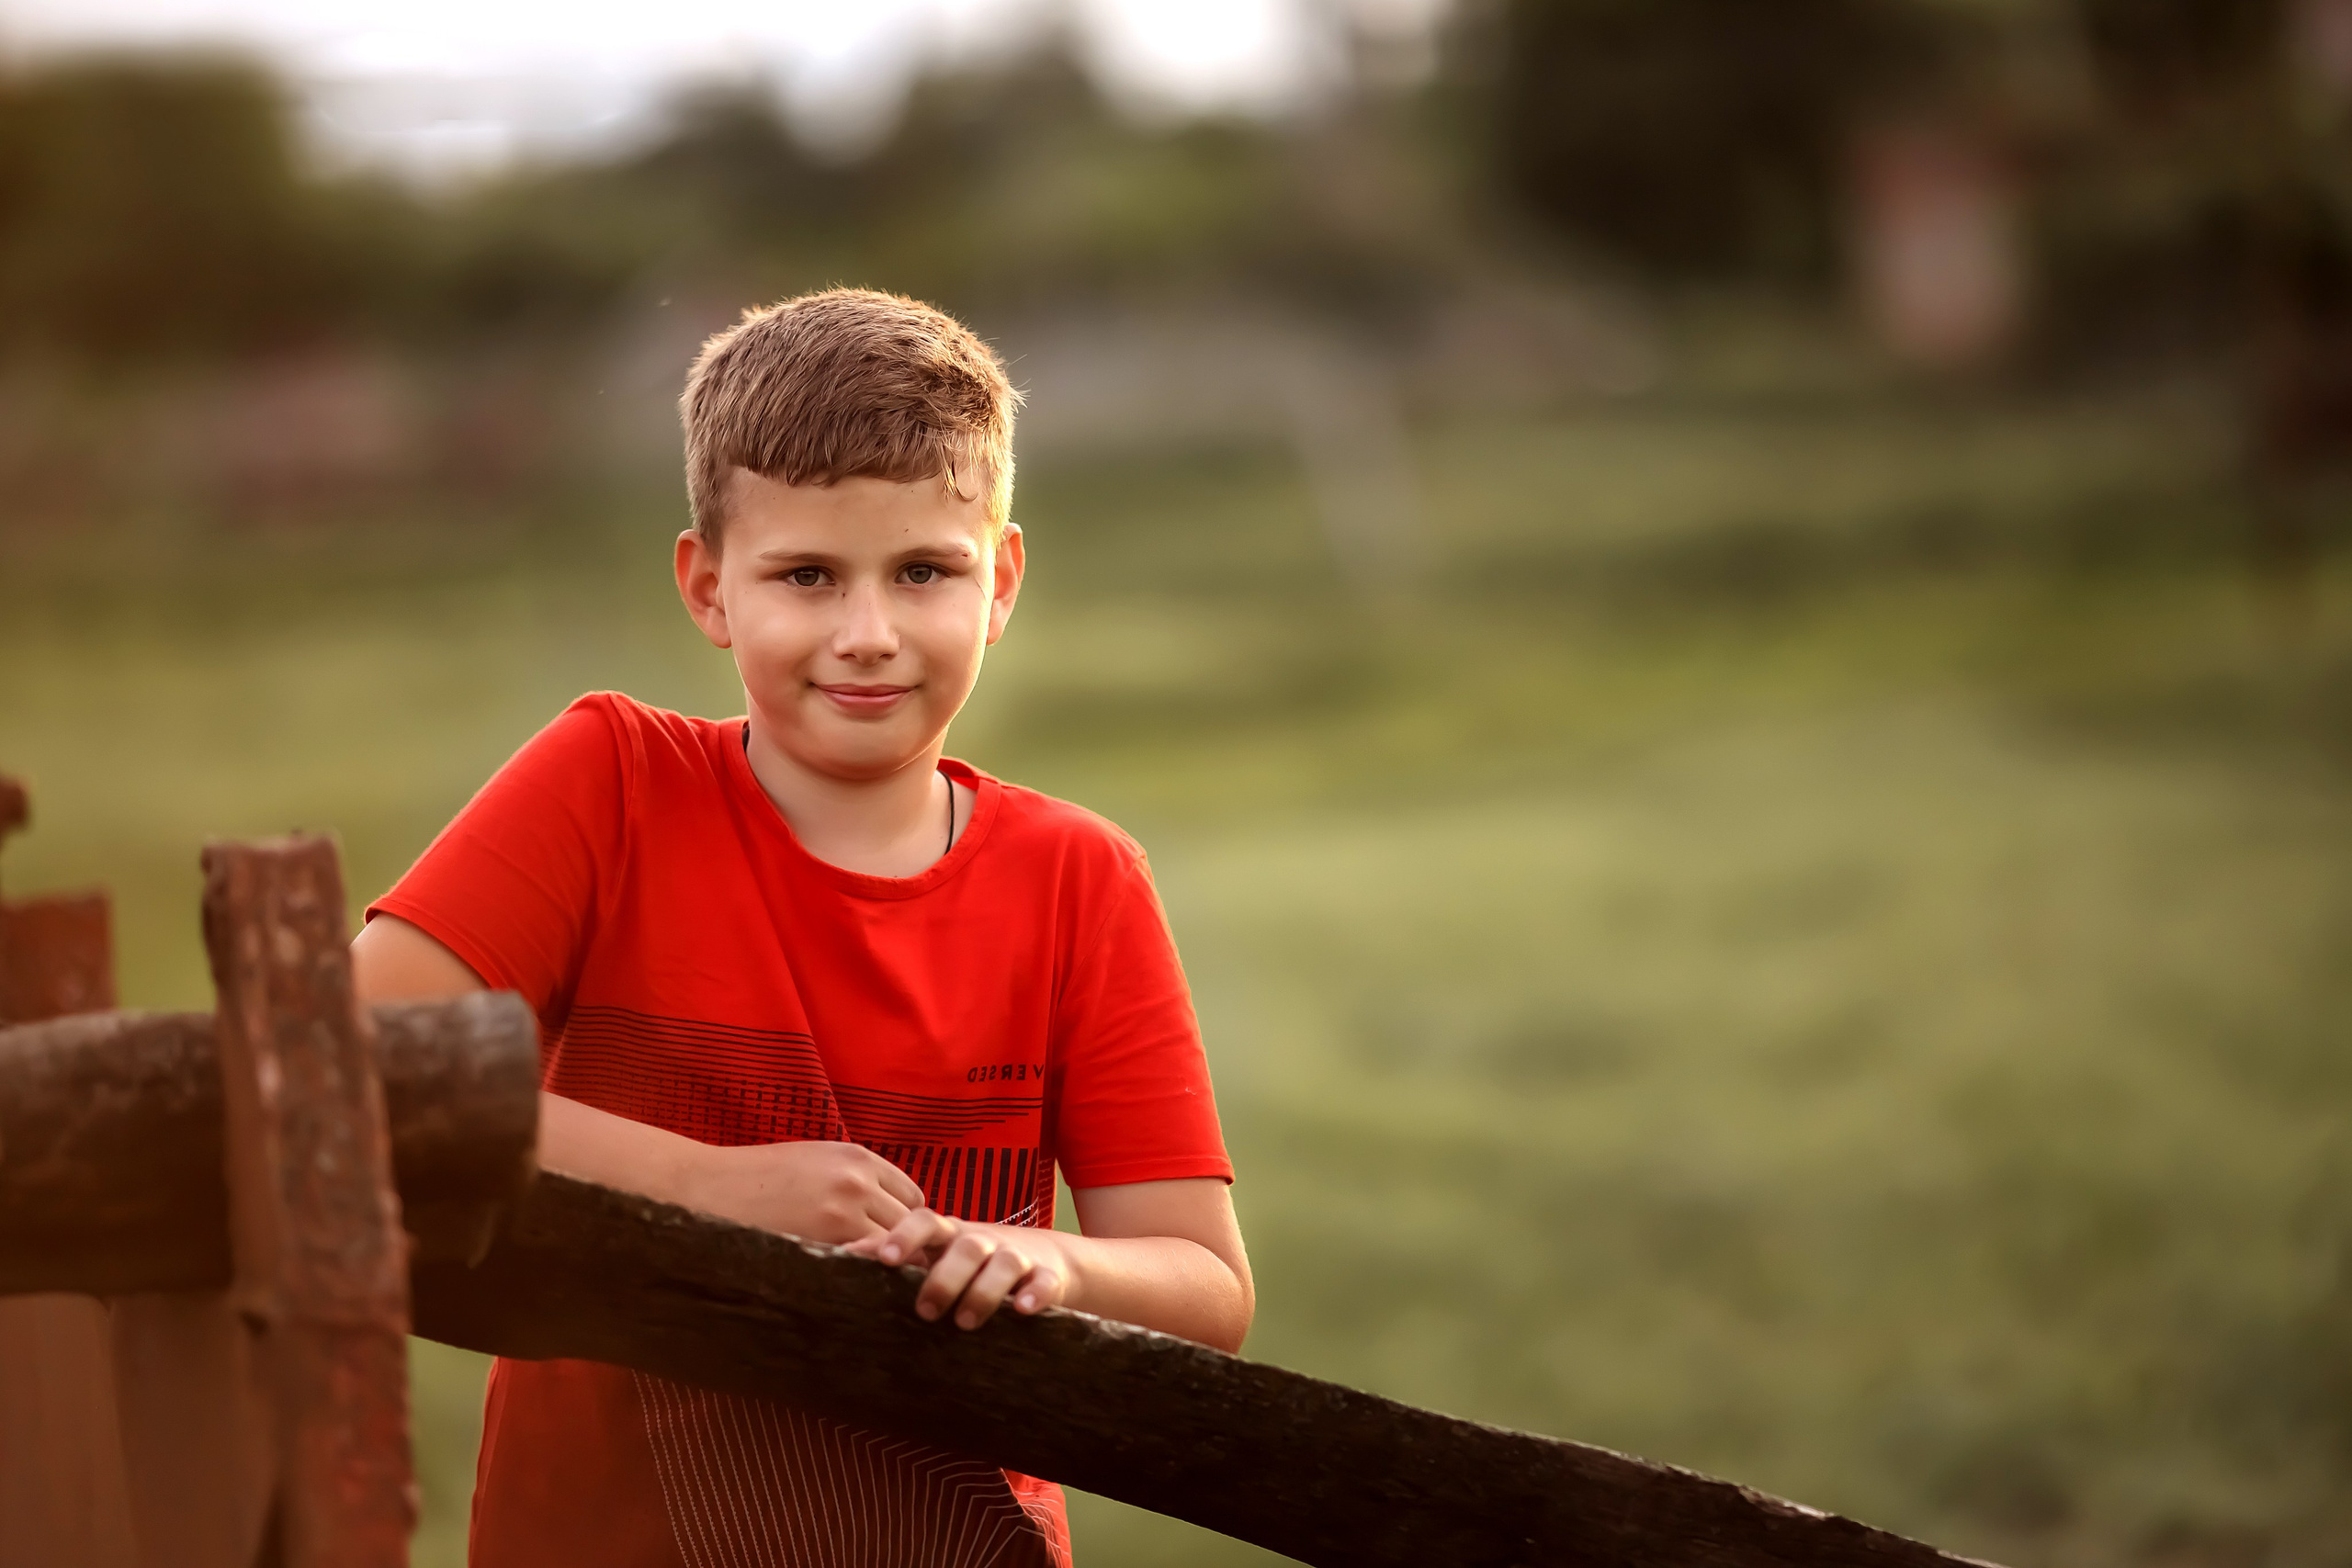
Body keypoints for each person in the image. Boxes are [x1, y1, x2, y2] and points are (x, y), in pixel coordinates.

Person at [351, 288, 1252, 1568]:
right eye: (808, 576)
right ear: (709, 587)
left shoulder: (1080, 881)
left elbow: (1207, 1288)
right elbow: (347, 1057)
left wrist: (1031, 1258)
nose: (868, 635)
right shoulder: (612, 783)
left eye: (923, 572)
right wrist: (718, 1189)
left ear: (997, 582)